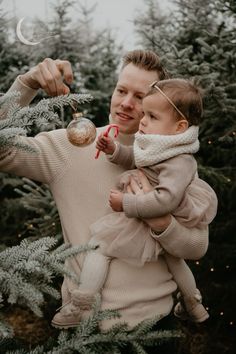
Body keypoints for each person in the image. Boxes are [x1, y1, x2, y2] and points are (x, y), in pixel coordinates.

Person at [0, 50, 215, 331]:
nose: (126, 103)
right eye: (121, 90)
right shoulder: (71, 145)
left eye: (139, 97)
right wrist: (27, 84)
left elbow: (198, 246)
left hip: (156, 329)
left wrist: (159, 220)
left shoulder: (174, 162)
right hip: (83, 332)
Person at [52, 78, 217, 327]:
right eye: (145, 113)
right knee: (174, 260)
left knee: (100, 246)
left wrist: (126, 203)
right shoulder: (165, 145)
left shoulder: (181, 161)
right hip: (154, 210)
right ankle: (193, 304)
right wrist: (114, 150)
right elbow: (138, 159)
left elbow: (166, 199)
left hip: (155, 210)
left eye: (152, 115)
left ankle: (81, 303)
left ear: (179, 126)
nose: (143, 119)